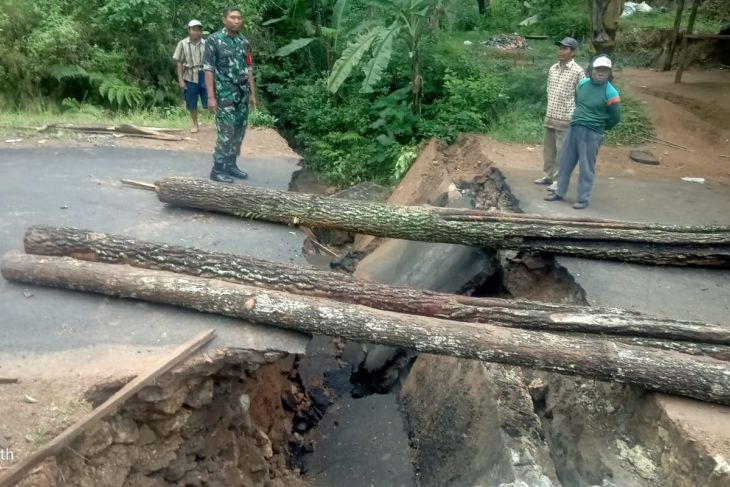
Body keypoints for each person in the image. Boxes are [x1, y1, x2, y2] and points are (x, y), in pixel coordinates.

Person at [545, 55, 621, 209]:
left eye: (605, 70)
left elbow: (615, 117)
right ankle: (559, 192)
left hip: (592, 133)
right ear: (591, 70)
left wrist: (601, 127)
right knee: (565, 162)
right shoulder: (582, 84)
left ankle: (582, 198)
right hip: (573, 128)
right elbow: (579, 101)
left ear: (609, 73)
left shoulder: (611, 93)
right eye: (598, 69)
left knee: (586, 167)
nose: (601, 72)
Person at [203, 7, 257, 183]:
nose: (236, 21)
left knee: (239, 131)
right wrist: (211, 97)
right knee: (226, 132)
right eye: (233, 17)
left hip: (242, 94)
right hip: (224, 94)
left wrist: (252, 94)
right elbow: (208, 69)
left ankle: (231, 165)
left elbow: (248, 69)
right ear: (224, 19)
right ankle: (217, 169)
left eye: (239, 18)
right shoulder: (214, 40)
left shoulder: (244, 42)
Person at [534, 37, 585, 192]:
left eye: (565, 48)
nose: (561, 51)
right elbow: (549, 90)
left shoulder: (578, 71)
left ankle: (558, 181)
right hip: (550, 115)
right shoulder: (553, 68)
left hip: (566, 118)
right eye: (560, 48)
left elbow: (581, 97)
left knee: (562, 152)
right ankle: (547, 176)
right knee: (549, 150)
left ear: (573, 52)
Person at [173, 20, 207, 133]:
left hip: (204, 74)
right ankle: (195, 124)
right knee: (191, 102)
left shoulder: (206, 43)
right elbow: (179, 63)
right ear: (189, 30)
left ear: (201, 31)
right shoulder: (182, 44)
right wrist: (181, 80)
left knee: (210, 100)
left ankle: (219, 123)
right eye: (194, 29)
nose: (196, 32)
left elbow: (212, 62)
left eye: (198, 30)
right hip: (190, 75)